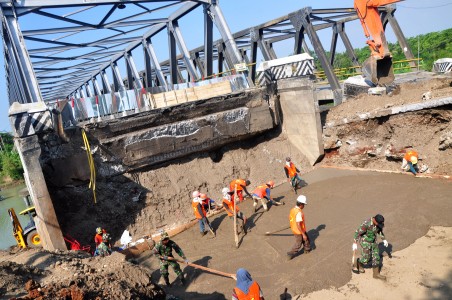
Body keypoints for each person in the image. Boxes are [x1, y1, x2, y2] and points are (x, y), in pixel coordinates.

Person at [352, 214, 389, 280]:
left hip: (374, 241)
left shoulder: (378, 223)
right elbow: (357, 232)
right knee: (366, 258)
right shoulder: (366, 224)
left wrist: (384, 239)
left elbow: (379, 231)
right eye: (378, 224)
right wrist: (355, 243)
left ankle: (376, 274)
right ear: (374, 220)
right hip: (366, 242)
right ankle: (358, 263)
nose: (379, 225)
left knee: (376, 257)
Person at [287, 195, 311, 260]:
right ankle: (291, 253)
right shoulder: (299, 213)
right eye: (304, 204)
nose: (304, 206)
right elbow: (298, 224)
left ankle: (307, 249)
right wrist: (303, 234)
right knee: (299, 243)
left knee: (306, 239)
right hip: (299, 230)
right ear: (301, 204)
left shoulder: (293, 209)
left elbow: (290, 218)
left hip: (295, 229)